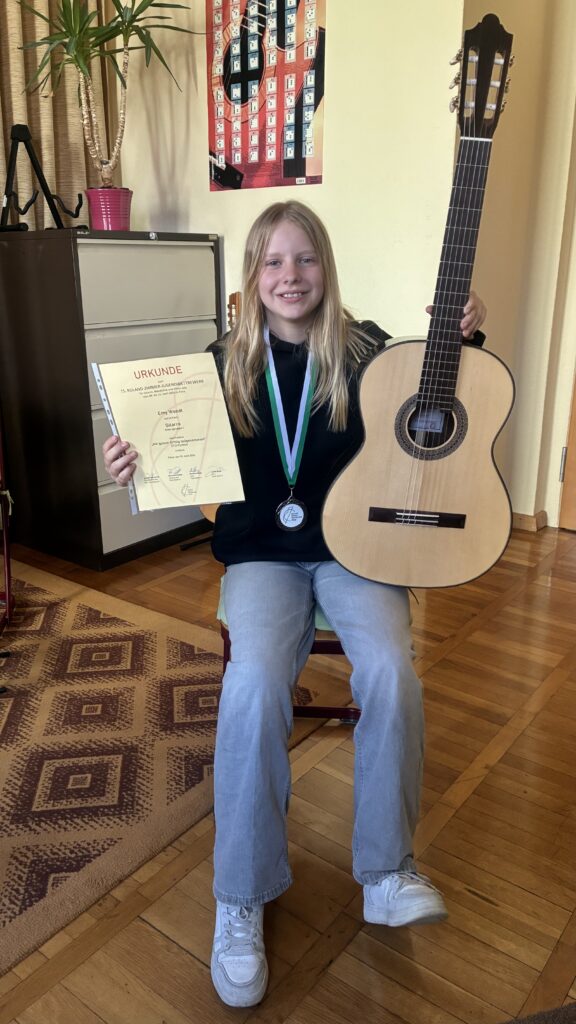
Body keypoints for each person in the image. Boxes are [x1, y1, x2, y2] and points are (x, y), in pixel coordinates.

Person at [103, 200, 487, 1009]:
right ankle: (241, 895)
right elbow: (176, 457)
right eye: (273, 261)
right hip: (262, 558)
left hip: (357, 553)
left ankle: (386, 872)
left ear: (326, 267)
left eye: (305, 258)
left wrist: (462, 341)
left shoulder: (367, 351)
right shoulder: (218, 366)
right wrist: (137, 460)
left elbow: (433, 406)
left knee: (392, 674)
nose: (290, 276)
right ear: (253, 275)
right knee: (250, 687)